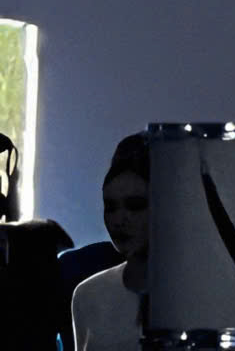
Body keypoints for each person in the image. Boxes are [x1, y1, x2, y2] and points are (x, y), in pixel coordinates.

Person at [69, 137, 150, 351]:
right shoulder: (88, 294)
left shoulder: (206, 292)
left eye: (135, 206)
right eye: (111, 207)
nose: (119, 220)